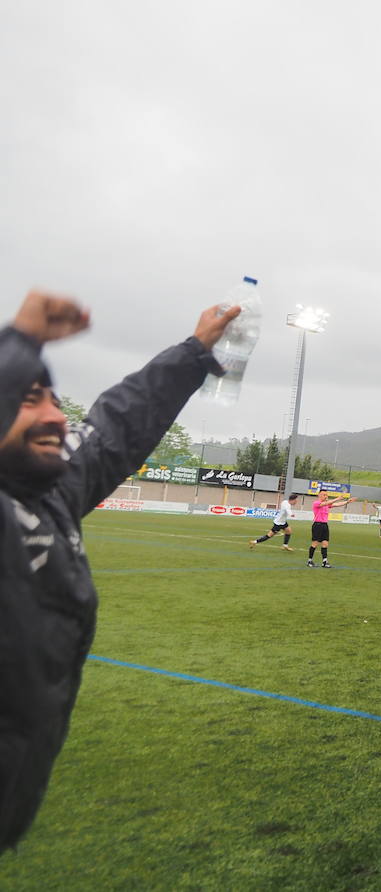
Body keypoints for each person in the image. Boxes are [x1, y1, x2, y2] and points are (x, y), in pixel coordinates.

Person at [0, 288, 238, 850]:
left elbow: (112, 430)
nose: (57, 416)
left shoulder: (47, 491)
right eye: (30, 399)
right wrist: (21, 344)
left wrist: (195, 351)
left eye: (55, 400)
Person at [307, 491, 350, 568]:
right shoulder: (316, 503)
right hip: (317, 525)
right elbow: (327, 503)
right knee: (315, 543)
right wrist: (338, 498)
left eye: (326, 495)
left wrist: (347, 502)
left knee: (325, 543)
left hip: (325, 525)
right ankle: (310, 560)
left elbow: (337, 504)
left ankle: (324, 561)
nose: (326, 496)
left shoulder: (327, 504)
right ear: (319, 495)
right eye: (324, 495)